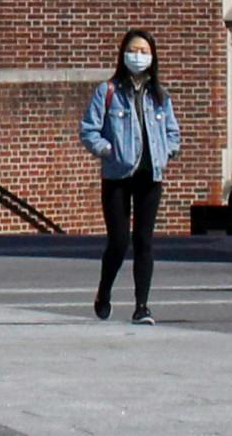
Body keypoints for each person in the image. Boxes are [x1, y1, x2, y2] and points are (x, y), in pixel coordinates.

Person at [78, 28, 182, 325]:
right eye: (133, 50)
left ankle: (142, 306)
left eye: (144, 51)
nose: (138, 56)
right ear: (123, 54)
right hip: (118, 175)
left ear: (153, 57)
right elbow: (88, 129)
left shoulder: (159, 95)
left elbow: (173, 131)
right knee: (119, 240)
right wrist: (106, 149)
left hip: (151, 175)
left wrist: (167, 150)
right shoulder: (108, 91)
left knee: (144, 241)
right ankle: (104, 291)